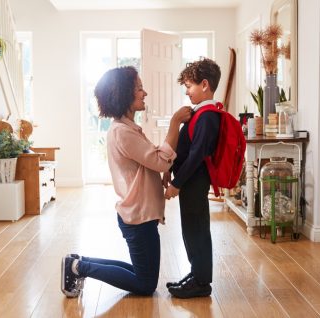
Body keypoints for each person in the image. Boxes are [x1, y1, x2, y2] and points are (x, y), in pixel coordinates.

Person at [61, 66, 192, 298]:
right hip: (138, 217)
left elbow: (150, 161)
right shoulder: (123, 132)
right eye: (139, 89)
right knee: (145, 284)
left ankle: (77, 262)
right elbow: (160, 161)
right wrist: (175, 123)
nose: (145, 93)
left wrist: (162, 168)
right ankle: (79, 267)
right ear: (124, 95)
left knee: (141, 273)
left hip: (138, 214)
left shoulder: (127, 128)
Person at [163, 57, 221, 298]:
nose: (187, 92)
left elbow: (197, 155)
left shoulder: (208, 115)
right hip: (190, 182)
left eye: (189, 86)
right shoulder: (201, 113)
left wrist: (177, 183)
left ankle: (201, 281)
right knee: (191, 229)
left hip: (194, 183)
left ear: (204, 85)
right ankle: (197, 274)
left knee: (196, 230)